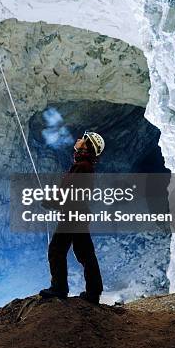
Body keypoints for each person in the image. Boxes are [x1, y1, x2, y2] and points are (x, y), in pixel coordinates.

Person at [40, 131, 105, 305]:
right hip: (78, 214)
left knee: (56, 250)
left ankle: (59, 289)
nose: (79, 140)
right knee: (85, 253)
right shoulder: (84, 165)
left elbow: (70, 193)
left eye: (83, 139)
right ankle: (94, 292)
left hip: (72, 215)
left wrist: (51, 202)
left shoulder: (82, 166)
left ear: (87, 145)